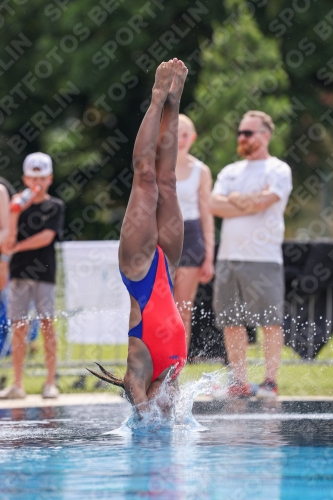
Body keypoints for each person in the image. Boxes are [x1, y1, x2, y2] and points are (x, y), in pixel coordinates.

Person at [88, 59, 188, 416]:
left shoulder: (137, 375)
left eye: (159, 403)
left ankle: (157, 96)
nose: (167, 403)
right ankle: (175, 102)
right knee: (169, 181)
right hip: (169, 268)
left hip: (141, 270)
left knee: (146, 178)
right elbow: (172, 419)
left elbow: (143, 412)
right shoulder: (173, 376)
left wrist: (145, 408)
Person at [210, 110, 292, 399]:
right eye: (240, 132)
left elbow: (267, 202)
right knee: (231, 322)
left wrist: (234, 199)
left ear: (265, 135)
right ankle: (239, 383)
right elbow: (213, 205)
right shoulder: (230, 170)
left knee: (269, 321)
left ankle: (270, 383)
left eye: (248, 132)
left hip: (264, 257)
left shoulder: (278, 169)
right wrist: (248, 201)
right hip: (228, 257)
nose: (241, 137)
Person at [0, 153, 65, 399]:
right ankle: (18, 384)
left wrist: (15, 248)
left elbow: (46, 237)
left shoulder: (55, 206)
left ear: (49, 179)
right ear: (25, 178)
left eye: (42, 177)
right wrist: (15, 211)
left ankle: (50, 381)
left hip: (44, 273)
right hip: (18, 274)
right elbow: (8, 239)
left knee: (47, 324)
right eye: (32, 177)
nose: (37, 181)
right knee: (19, 327)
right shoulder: (16, 205)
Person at [174, 115, 215, 350]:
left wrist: (208, 255)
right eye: (175, 133)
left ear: (193, 138)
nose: (180, 139)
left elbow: (206, 213)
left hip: (191, 237)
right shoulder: (157, 165)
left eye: (185, 134)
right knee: (156, 308)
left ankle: (174, 374)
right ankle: (152, 372)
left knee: (182, 310)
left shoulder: (201, 170)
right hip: (163, 238)